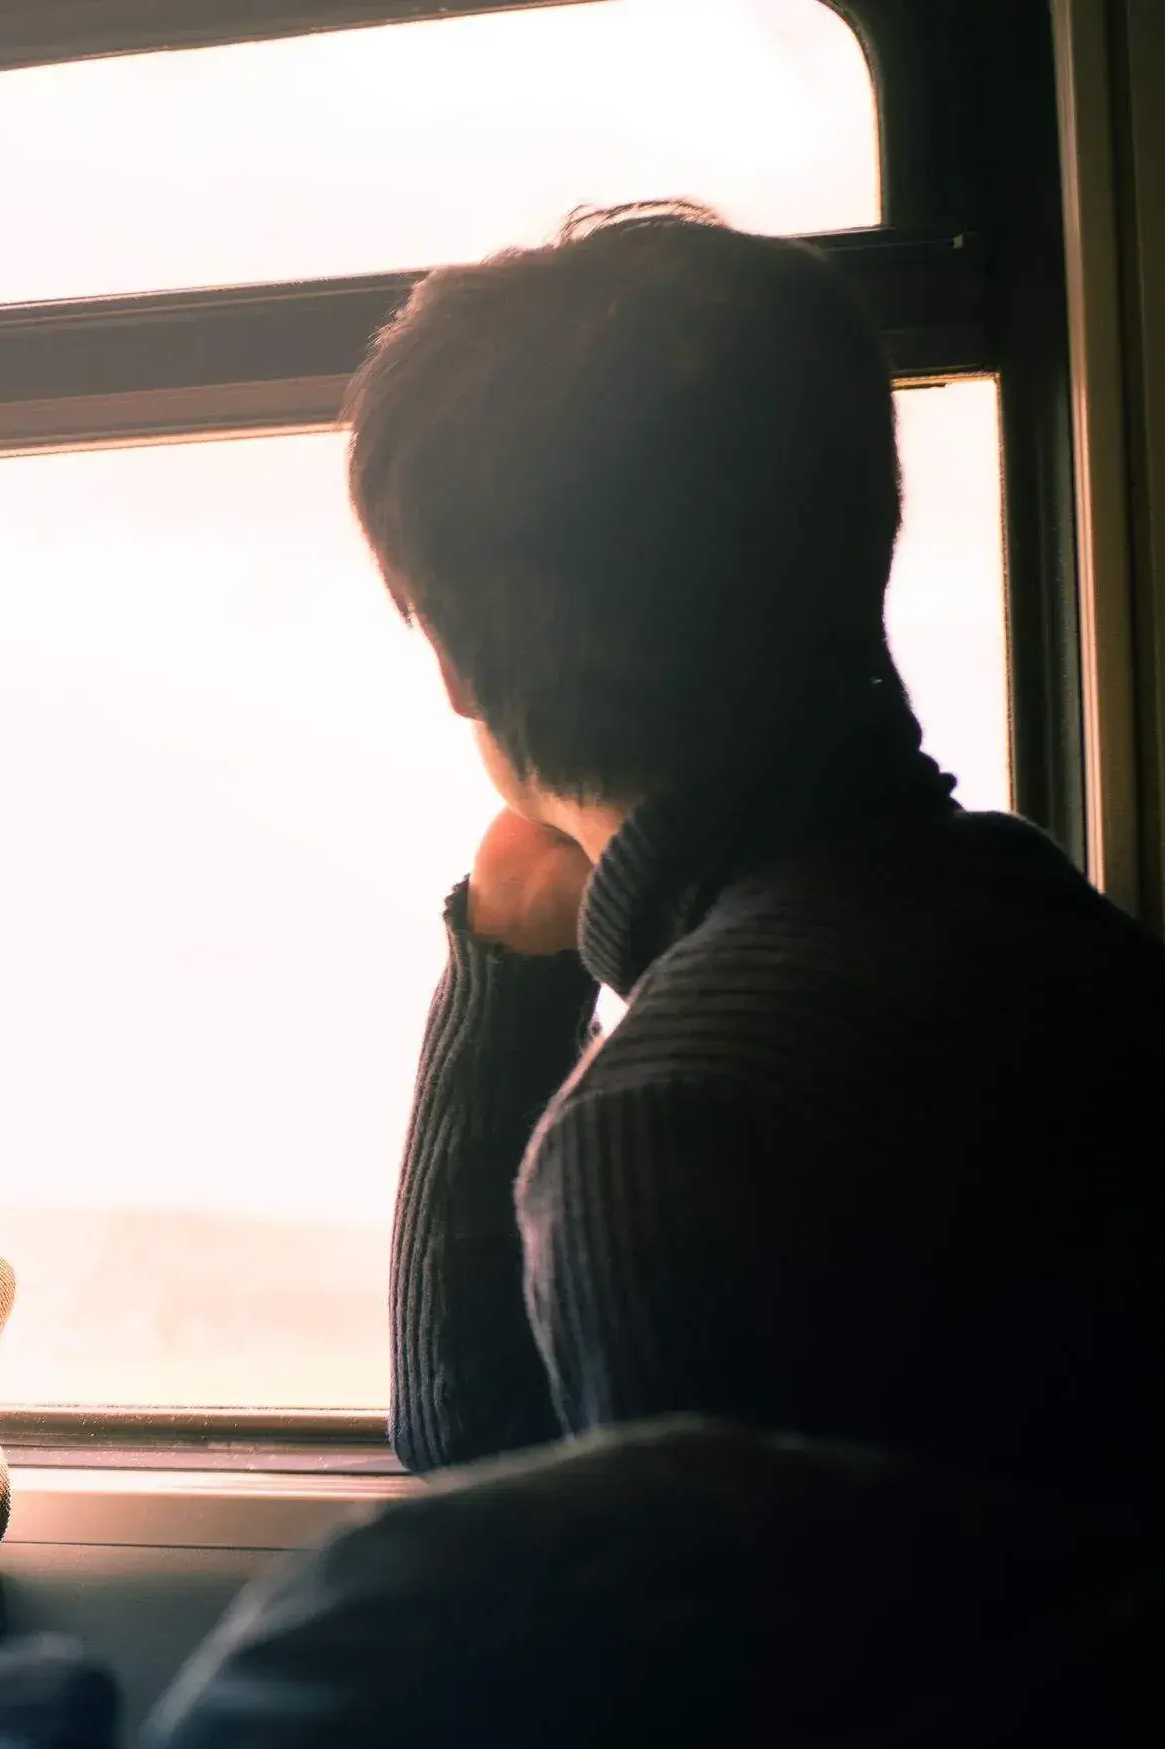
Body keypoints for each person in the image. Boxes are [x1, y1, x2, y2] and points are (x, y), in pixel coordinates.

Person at [364, 203, 1165, 1520]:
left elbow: (518, 1509)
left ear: (455, 662)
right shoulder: (1027, 909)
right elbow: (492, 1448)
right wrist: (521, 953)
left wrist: (502, 983)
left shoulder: (672, 1124)